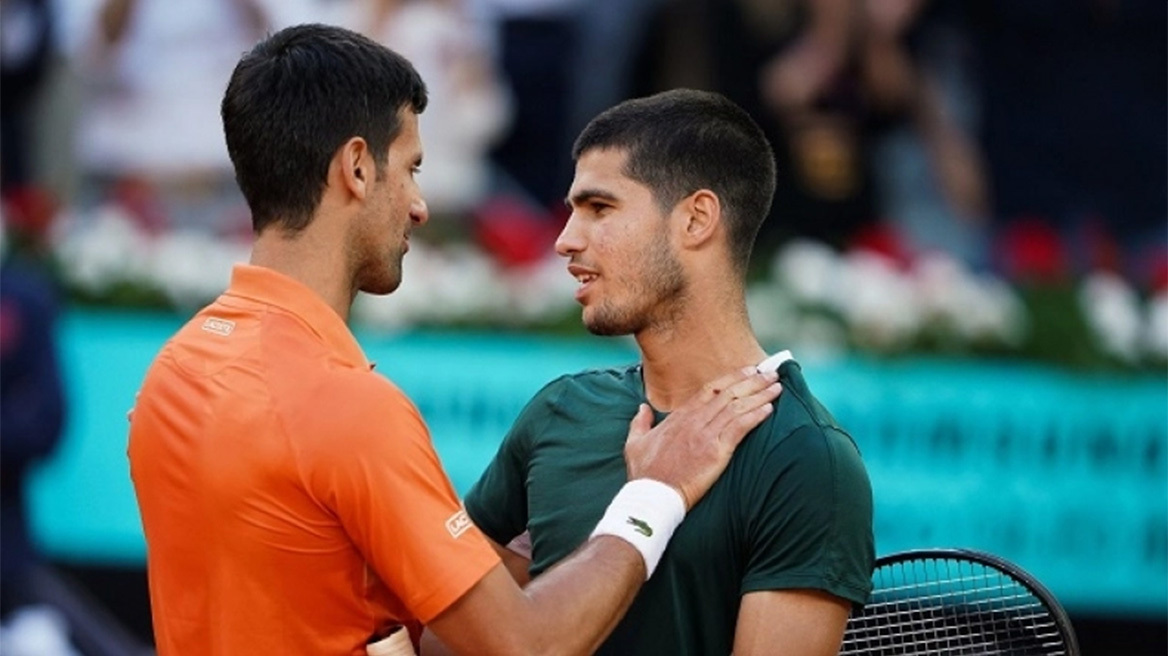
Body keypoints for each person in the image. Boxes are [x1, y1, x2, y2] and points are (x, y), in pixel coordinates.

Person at [126, 24, 782, 656]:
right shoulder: (347, 409)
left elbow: (308, 560)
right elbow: (529, 645)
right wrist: (657, 492)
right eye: (409, 168)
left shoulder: (174, 371)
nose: (419, 205)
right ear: (356, 167)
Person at [463, 89, 875, 655]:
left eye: (600, 208)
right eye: (571, 211)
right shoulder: (557, 411)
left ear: (696, 219)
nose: (565, 240)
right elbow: (443, 640)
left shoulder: (807, 459)